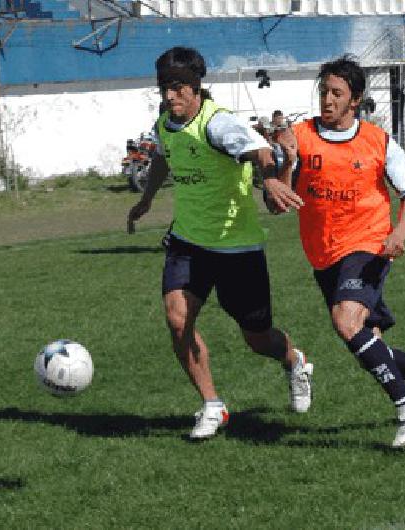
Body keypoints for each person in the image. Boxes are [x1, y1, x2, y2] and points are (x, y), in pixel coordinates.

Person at [127, 47, 313, 440]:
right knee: (178, 321)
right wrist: (146, 199)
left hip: (236, 247)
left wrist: (273, 179)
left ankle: (295, 360)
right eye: (164, 88)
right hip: (188, 243)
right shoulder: (166, 123)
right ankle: (213, 405)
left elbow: (260, 151)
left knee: (257, 337)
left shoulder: (218, 124)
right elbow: (163, 155)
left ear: (196, 89)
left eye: (178, 88)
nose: (169, 96)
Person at [270, 55, 405, 448]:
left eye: (337, 93)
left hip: (368, 245)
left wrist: (399, 233)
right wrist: (286, 163)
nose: (327, 100)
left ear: (356, 100)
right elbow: (276, 204)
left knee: (345, 321)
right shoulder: (299, 137)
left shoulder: (377, 141)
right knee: (367, 342)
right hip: (323, 255)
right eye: (323, 92)